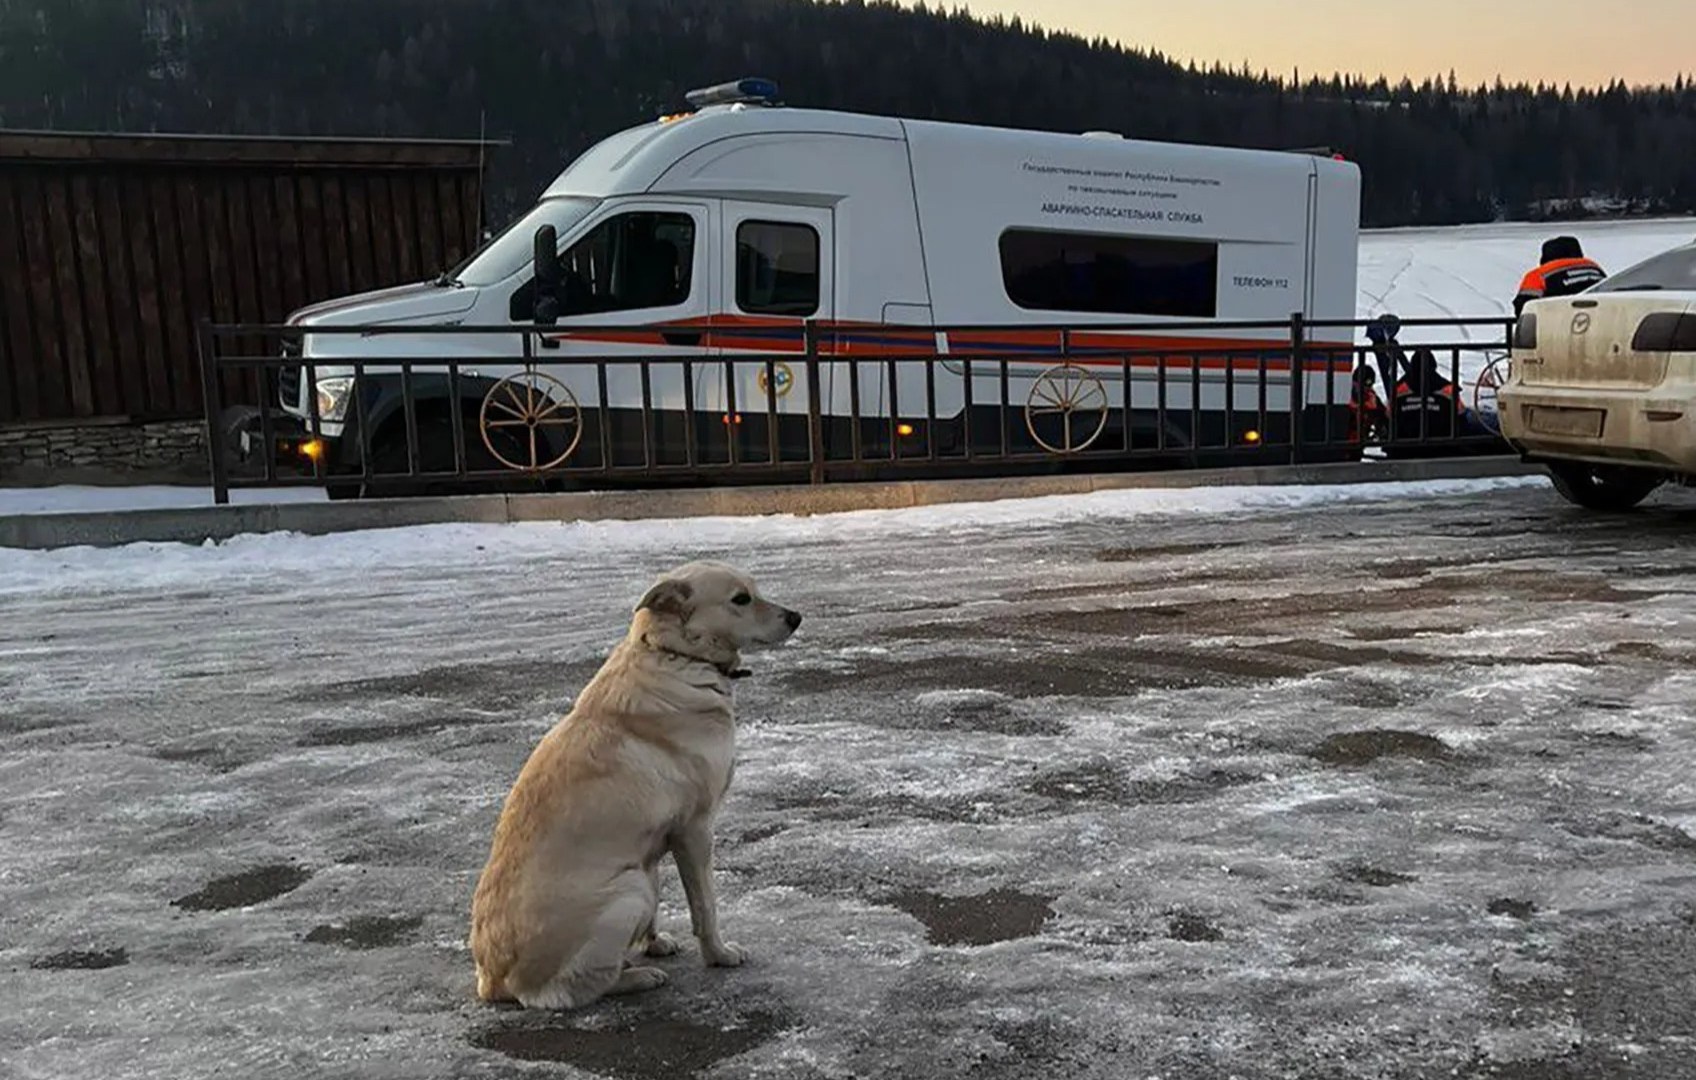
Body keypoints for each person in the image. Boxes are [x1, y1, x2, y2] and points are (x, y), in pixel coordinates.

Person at [1512, 236, 1607, 316]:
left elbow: (1523, 310)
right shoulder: (1594, 268)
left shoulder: (1538, 275)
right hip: (1598, 322)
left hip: (1556, 328)